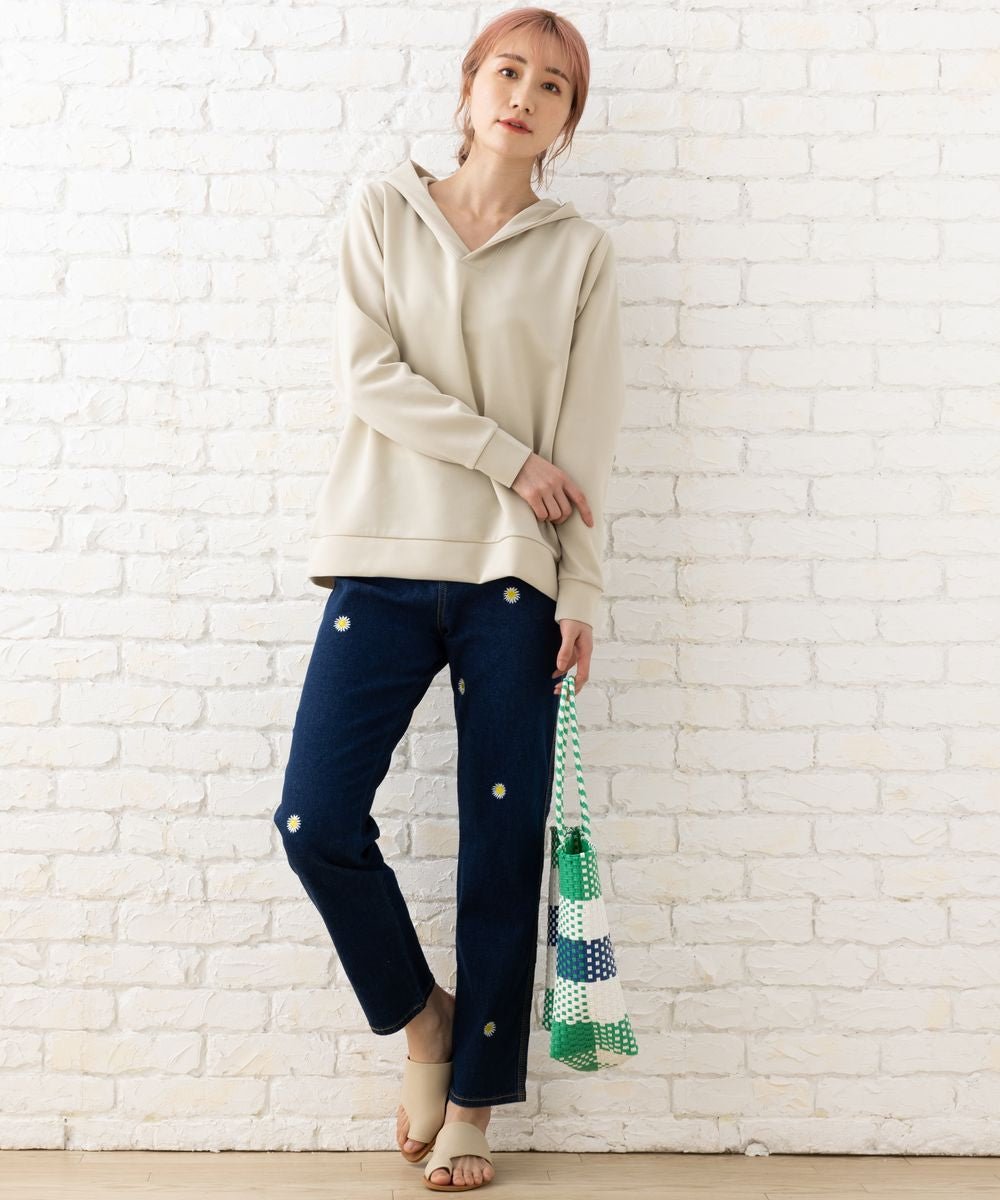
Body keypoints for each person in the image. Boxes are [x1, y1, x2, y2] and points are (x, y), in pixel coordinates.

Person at [274, 7, 626, 1192]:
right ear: (469, 88)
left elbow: (585, 439)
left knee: (501, 845)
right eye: (507, 72)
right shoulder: (385, 209)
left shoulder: (579, 253)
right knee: (314, 819)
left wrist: (583, 589)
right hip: (381, 556)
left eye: (552, 87)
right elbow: (369, 376)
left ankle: (474, 1103)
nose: (524, 95)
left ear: (566, 122)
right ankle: (423, 1018)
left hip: (515, 578)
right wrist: (506, 458)